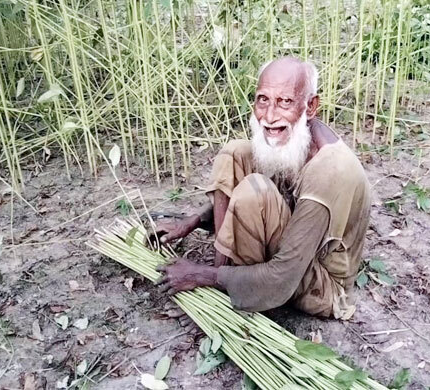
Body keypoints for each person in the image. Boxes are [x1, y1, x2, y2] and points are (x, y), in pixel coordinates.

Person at [154, 57, 371, 319]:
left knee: (253, 192)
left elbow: (283, 277)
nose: (269, 116)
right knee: (234, 153)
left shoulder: (329, 173)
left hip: (321, 287)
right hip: (297, 251)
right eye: (263, 99)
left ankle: (223, 282)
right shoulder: (302, 142)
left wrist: (201, 275)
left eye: (285, 102)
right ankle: (224, 266)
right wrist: (194, 221)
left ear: (311, 106)